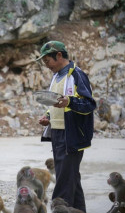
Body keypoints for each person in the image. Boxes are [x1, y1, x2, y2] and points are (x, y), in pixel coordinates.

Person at [36, 41, 96, 213]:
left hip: (72, 136)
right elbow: (55, 103)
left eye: (48, 61)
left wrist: (70, 101)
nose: (46, 66)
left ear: (59, 56)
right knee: (72, 179)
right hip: (57, 134)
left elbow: (89, 104)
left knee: (63, 183)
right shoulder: (56, 77)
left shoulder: (77, 75)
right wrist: (47, 117)